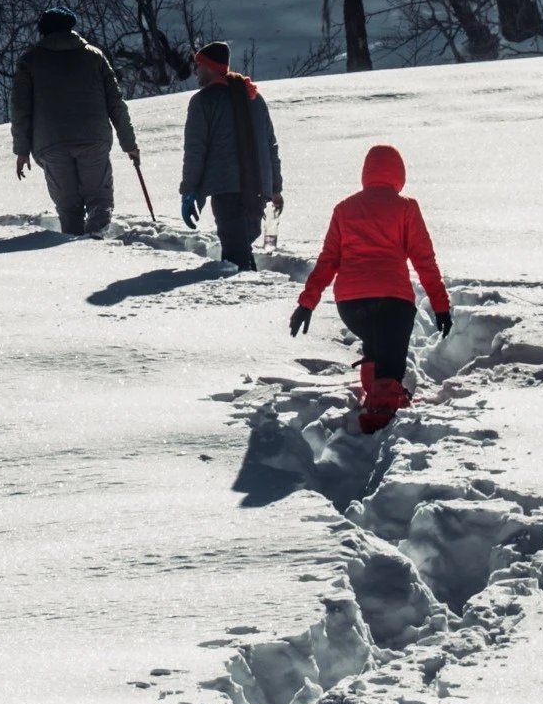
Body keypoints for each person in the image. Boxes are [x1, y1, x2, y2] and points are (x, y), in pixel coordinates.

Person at [289, 144, 452, 434]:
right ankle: (379, 421)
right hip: (394, 301)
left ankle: (375, 396)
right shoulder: (406, 207)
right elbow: (424, 260)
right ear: (399, 174)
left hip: (352, 304)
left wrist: (307, 303)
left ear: (366, 173)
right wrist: (440, 305)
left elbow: (328, 260)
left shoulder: (345, 209)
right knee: (391, 364)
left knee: (377, 346)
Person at [10, 7, 140, 235]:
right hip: (93, 138)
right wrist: (129, 143)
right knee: (100, 200)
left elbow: (20, 109)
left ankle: (77, 251)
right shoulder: (94, 56)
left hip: (51, 143)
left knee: (68, 206)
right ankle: (95, 245)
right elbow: (116, 102)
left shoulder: (29, 61)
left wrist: (21, 150)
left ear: (43, 31)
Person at [179, 42, 283, 271]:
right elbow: (270, 145)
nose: (195, 71)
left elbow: (196, 150)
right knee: (242, 245)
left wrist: (189, 190)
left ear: (209, 67)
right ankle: (252, 288)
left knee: (236, 256)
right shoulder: (253, 97)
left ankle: (244, 297)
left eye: (199, 65)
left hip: (226, 187)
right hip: (256, 187)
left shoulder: (203, 101)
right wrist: (274, 187)